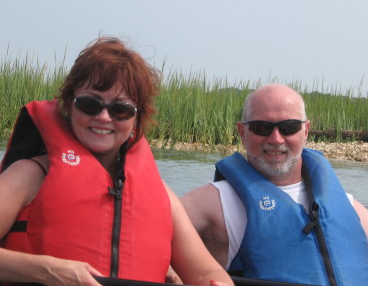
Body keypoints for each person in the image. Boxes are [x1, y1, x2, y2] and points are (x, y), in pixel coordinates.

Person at [0, 37, 233, 286]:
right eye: (90, 104)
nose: (103, 117)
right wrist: (46, 270)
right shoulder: (29, 175)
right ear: (69, 104)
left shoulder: (163, 197)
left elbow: (205, 271)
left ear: (136, 119)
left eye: (120, 110)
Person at [181, 83, 368, 286]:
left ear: (306, 130)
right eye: (262, 127)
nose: (276, 139)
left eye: (288, 127)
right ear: (242, 131)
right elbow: (150, 227)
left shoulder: (347, 206)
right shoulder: (216, 201)